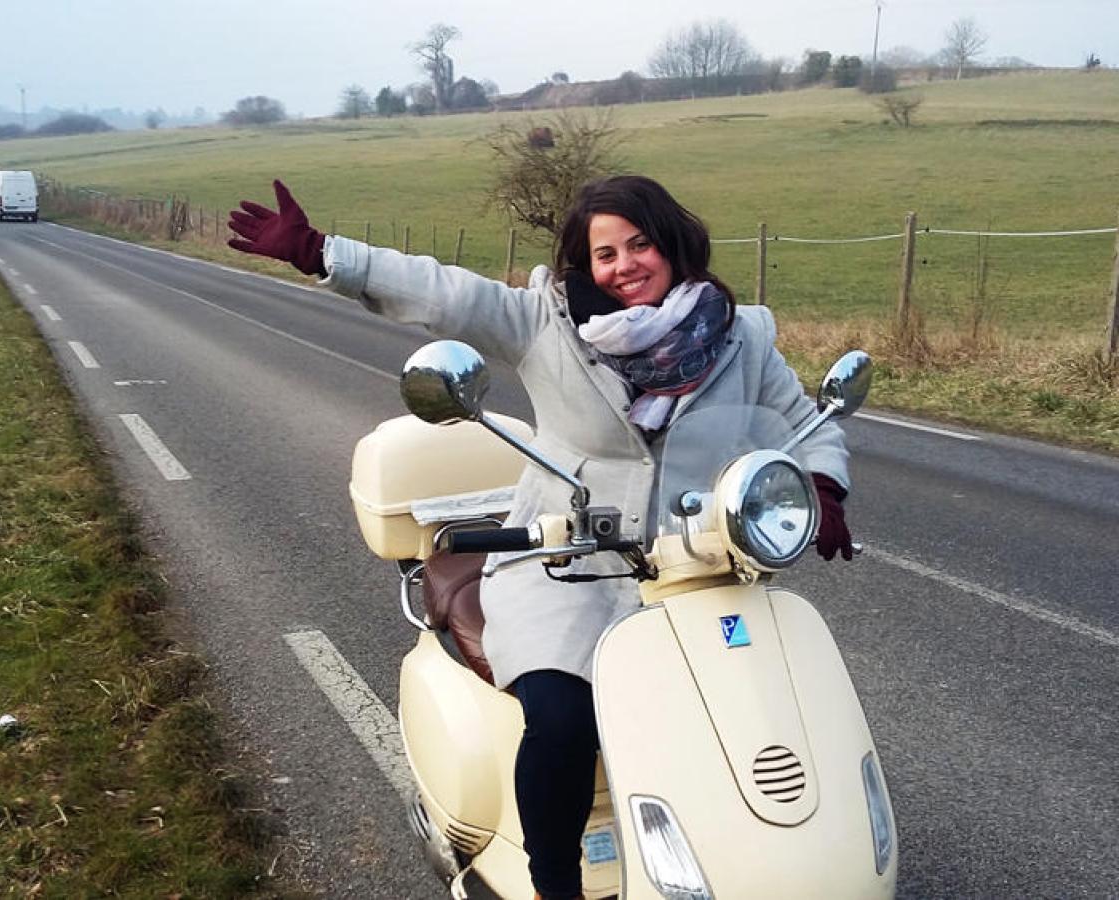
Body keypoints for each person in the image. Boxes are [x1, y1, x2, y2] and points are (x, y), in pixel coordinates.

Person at [229, 175, 854, 900]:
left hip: (693, 562)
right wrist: (322, 253)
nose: (624, 265)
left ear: (671, 241)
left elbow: (802, 418)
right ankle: (554, 880)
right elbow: (445, 293)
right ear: (584, 267)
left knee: (751, 697)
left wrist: (825, 488)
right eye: (605, 253)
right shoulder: (544, 323)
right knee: (562, 717)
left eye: (639, 243)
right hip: (567, 561)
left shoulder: (740, 335)